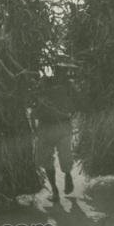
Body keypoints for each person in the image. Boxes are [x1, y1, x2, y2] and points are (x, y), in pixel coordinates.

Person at [32, 74, 75, 202]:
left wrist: (34, 129)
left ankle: (55, 191)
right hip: (63, 127)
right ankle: (67, 176)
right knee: (65, 155)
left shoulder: (40, 95)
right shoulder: (64, 92)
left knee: (47, 160)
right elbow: (73, 108)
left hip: (46, 129)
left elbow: (34, 114)